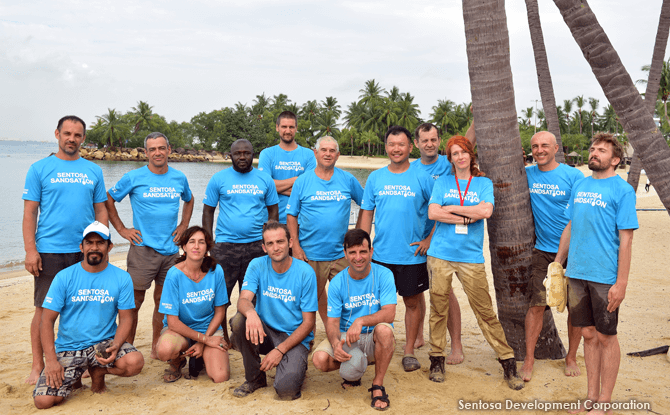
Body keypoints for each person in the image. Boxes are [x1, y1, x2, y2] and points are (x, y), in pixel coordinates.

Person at [426, 135, 523, 390]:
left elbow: (486, 212)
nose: (459, 157)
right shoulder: (443, 182)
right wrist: (467, 215)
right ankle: (437, 359)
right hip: (440, 255)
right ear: (450, 159)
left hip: (470, 258)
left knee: (485, 312)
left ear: (471, 155)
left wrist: (452, 210)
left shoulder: (483, 183)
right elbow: (433, 212)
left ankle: (508, 362)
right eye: (454, 154)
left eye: (463, 152)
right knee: (438, 310)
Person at [555, 133, 637, 414]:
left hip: (604, 276)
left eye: (601, 150)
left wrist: (621, 282)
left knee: (606, 337)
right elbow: (569, 226)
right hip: (577, 272)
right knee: (588, 334)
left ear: (614, 159)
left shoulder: (623, 191)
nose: (594, 153)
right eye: (592, 149)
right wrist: (557, 263)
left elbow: (626, 239)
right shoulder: (580, 185)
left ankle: (605, 402)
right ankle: (590, 398)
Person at [23, 115, 108, 384]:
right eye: (67, 133)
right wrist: (30, 250)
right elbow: (30, 213)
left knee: (81, 306)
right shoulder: (39, 168)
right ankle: (38, 365)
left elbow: (100, 209)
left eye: (77, 135)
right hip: (49, 250)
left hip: (83, 251)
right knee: (43, 310)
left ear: (83, 138)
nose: (72, 139)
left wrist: (101, 243)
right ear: (57, 134)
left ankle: (79, 361)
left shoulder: (93, 170)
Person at [33, 222, 143, 409]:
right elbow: (46, 321)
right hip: (68, 348)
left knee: (134, 362)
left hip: (102, 345)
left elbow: (126, 318)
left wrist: (116, 345)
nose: (94, 247)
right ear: (81, 247)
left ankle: (98, 373)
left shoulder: (121, 278)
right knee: (43, 402)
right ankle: (75, 378)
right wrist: (50, 361)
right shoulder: (64, 277)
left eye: (100, 243)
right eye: (89, 242)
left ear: (109, 247)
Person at [106, 132, 194, 360]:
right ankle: (126, 347)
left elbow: (189, 199)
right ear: (146, 152)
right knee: (133, 303)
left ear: (169, 149)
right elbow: (108, 199)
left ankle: (156, 346)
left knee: (163, 303)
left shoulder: (179, 177)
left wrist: (184, 224)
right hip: (142, 250)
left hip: (171, 251)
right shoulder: (133, 177)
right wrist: (122, 230)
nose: (157, 152)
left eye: (161, 148)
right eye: (152, 149)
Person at [357, 125, 434, 372]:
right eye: (391, 144)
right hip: (380, 255)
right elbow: (367, 213)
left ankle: (409, 350)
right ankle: (375, 346)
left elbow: (437, 211)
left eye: (401, 144)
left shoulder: (422, 177)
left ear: (410, 147)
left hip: (412, 255)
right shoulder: (376, 178)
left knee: (412, 303)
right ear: (386, 147)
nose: (396, 149)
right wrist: (363, 246)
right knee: (376, 305)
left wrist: (429, 239)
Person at [229, 221, 317, 400]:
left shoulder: (305, 272)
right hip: (265, 332)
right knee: (239, 320)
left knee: (286, 391)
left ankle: (296, 364)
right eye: (270, 243)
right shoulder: (257, 265)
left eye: (280, 242)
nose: (276, 248)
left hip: (293, 336)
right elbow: (244, 299)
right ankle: (255, 378)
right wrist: (252, 313)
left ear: (290, 242)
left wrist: (280, 350)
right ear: (264, 247)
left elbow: (309, 323)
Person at [521, 131, 584, 382]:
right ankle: (528, 358)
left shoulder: (573, 176)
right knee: (536, 305)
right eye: (535, 146)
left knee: (576, 308)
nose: (539, 150)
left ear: (556, 148)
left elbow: (576, 217)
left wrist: (561, 258)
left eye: (544, 145)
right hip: (543, 250)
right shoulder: (527, 174)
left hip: (576, 252)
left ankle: (571, 356)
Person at [312, 229, 396, 411]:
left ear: (371, 252)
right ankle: (353, 370)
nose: (358, 258)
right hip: (348, 338)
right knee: (319, 360)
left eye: (363, 252)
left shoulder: (384, 274)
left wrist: (360, 321)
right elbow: (332, 322)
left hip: (373, 336)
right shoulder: (337, 282)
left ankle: (377, 385)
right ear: (345, 254)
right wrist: (335, 343)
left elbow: (389, 314)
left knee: (385, 330)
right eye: (353, 252)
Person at [286, 136, 364, 328]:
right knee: (310, 299)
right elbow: (291, 215)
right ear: (316, 153)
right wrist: (295, 246)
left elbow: (367, 204)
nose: (327, 154)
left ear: (338, 155)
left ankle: (344, 330)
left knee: (349, 296)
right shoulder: (303, 181)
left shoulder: (348, 179)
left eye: (332, 151)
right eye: (324, 150)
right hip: (310, 254)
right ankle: (308, 336)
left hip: (341, 253)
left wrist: (360, 234)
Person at [203, 139, 279, 306]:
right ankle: (221, 332)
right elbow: (208, 211)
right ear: (231, 156)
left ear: (253, 155)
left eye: (246, 153)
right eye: (238, 153)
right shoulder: (218, 179)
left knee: (255, 297)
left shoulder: (265, 179)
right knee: (220, 297)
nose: (242, 157)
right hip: (225, 246)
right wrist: (209, 243)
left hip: (257, 247)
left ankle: (248, 331)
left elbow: (273, 209)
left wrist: (269, 237)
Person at [411, 122, 463, 362]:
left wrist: (430, 239)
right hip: (417, 240)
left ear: (439, 141)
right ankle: (419, 335)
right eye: (425, 140)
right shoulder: (412, 170)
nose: (430, 144)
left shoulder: (449, 163)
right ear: (416, 144)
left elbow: (467, 142)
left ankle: (457, 346)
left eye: (433, 139)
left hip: (441, 240)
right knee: (418, 291)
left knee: (445, 292)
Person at [155, 226, 230, 384]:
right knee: (164, 350)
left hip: (208, 329)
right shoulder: (174, 275)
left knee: (220, 377)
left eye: (201, 242)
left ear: (207, 248)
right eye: (192, 242)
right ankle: (177, 361)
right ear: (184, 247)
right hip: (180, 331)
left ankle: (201, 355)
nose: (196, 246)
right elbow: (173, 322)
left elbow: (219, 312)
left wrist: (204, 341)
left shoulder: (216, 271)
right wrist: (204, 340)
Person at [258, 111, 316, 223]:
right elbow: (264, 187)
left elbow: (309, 189)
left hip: (301, 221)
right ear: (277, 127)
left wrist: (275, 187)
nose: (288, 131)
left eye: (291, 127)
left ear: (296, 128)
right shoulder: (267, 154)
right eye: (284, 127)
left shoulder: (309, 155)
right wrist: (297, 180)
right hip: (272, 221)